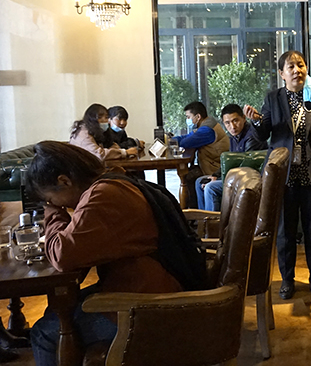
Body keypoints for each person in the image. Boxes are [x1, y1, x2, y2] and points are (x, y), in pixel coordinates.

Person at [26, 141, 204, 366]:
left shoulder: (103, 196)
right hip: (152, 288)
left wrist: (52, 212)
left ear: (64, 181)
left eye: (50, 198)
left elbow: (62, 256)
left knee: (44, 332)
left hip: (149, 307)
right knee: (57, 309)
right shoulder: (113, 179)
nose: (54, 204)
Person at [243, 50, 311, 299]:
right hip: (284, 175)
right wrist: (255, 121)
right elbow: (263, 135)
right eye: (291, 66)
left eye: (301, 65)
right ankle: (287, 279)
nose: (297, 70)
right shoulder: (273, 99)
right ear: (282, 73)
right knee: (284, 231)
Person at [196, 104, 268, 211]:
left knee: (211, 188)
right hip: (235, 176)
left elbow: (245, 165)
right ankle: (203, 218)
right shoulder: (234, 137)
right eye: (227, 123)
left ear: (244, 118)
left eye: (235, 121)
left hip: (249, 179)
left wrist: (219, 178)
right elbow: (229, 161)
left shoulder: (252, 136)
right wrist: (215, 175)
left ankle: (213, 221)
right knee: (199, 182)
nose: (233, 126)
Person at [172, 101, 230, 209]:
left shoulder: (207, 130)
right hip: (211, 165)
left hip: (215, 169)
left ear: (198, 117)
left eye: (188, 117)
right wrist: (172, 139)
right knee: (189, 174)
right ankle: (196, 213)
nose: (188, 120)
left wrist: (170, 141)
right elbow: (188, 137)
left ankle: (194, 212)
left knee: (188, 177)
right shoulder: (206, 125)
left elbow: (186, 142)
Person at [70, 103, 138, 160]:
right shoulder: (83, 133)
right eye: (102, 117)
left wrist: (116, 150)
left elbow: (111, 145)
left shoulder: (98, 131)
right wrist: (124, 152)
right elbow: (98, 154)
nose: (106, 121)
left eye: (106, 117)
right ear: (94, 119)